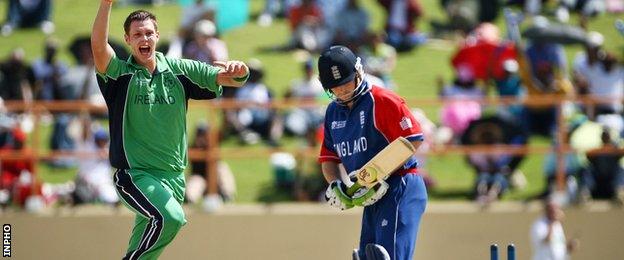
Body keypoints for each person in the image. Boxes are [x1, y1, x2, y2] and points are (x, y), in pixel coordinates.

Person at [91, 2, 249, 259]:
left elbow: (229, 78)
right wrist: (106, 3)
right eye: (137, 34)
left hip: (173, 177)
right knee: (172, 218)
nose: (144, 38)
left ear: (157, 36)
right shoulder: (120, 74)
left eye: (148, 33)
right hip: (135, 176)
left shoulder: (179, 70)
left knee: (146, 249)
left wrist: (241, 72)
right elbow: (98, 47)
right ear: (128, 40)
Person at [318, 45, 427, 260]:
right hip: (369, 193)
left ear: (358, 72)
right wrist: (336, 185)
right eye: (334, 87)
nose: (341, 91)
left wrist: (378, 173)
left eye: (345, 82)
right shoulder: (332, 113)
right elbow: (329, 159)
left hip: (400, 185)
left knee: (388, 256)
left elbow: (413, 139)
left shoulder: (383, 100)